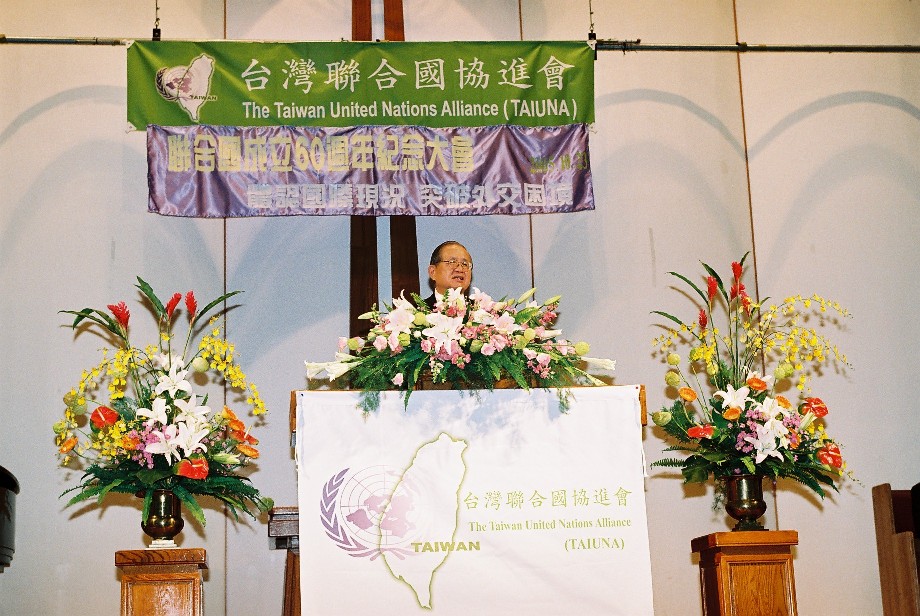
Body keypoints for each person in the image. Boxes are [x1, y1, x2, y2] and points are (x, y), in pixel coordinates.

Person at [424, 240, 473, 308]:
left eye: (465, 264)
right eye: (452, 262)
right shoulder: (414, 311)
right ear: (433, 272)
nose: (460, 269)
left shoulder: (484, 310)